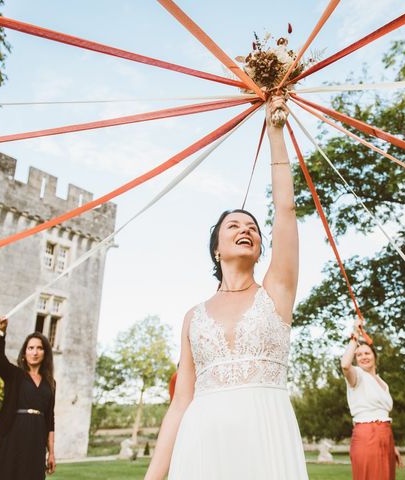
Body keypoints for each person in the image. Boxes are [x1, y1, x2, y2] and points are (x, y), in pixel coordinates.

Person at [144, 96, 308, 480]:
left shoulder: (276, 294)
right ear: (217, 249)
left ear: (260, 247)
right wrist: (152, 477)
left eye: (251, 227)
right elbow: (181, 402)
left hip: (267, 436)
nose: (245, 230)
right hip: (202, 445)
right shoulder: (193, 317)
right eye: (233, 226)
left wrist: (276, 131)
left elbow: (285, 211)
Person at [0, 316, 56, 480]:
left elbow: (50, 419)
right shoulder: (14, 375)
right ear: (24, 353)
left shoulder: (51, 383)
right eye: (30, 348)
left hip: (36, 438)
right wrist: (1, 332)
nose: (35, 352)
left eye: (39, 348)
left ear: (45, 353)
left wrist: (51, 452)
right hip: (12, 434)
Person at [341, 318, 402, 480]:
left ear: (375, 356)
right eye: (359, 355)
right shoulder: (356, 375)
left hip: (386, 436)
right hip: (366, 435)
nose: (363, 357)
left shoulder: (383, 383)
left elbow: (383, 414)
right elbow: (345, 365)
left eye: (367, 353)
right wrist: (355, 334)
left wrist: (392, 446)